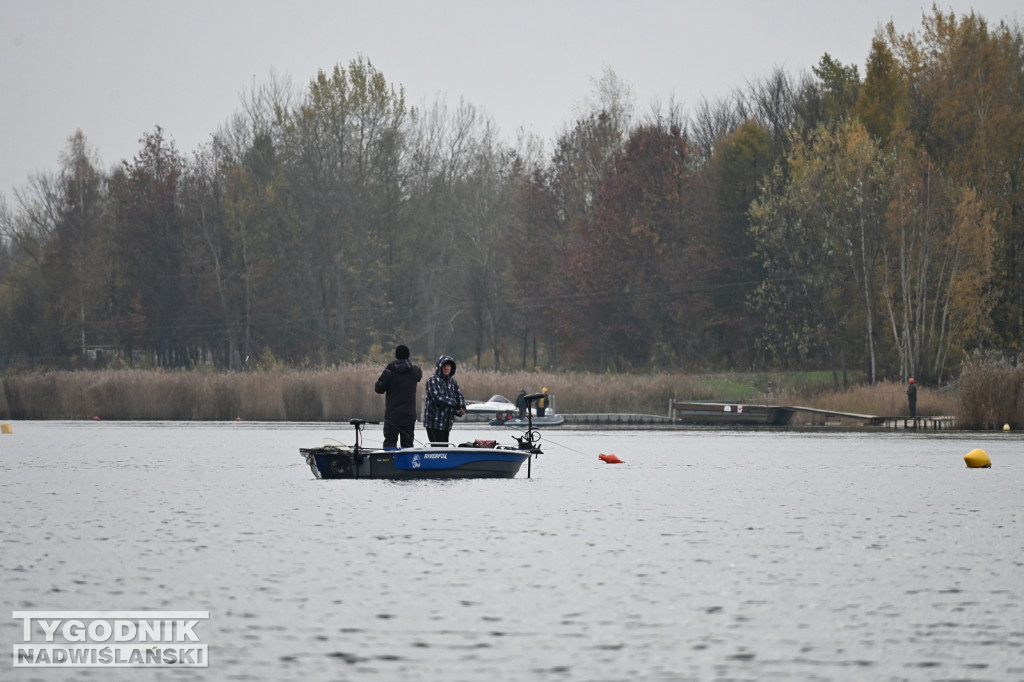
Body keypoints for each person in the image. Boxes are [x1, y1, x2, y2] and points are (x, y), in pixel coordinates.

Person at [374, 345, 423, 448]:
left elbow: (378, 389)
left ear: (396, 355)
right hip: (409, 417)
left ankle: (388, 464)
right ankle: (406, 464)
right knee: (408, 446)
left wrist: (387, 369)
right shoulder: (414, 371)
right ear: (408, 355)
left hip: (393, 417)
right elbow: (419, 374)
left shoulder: (390, 371)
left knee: (390, 445)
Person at [423, 355, 466, 444]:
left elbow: (459, 396)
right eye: (444, 366)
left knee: (444, 449)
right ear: (439, 367)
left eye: (448, 366)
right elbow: (438, 398)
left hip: (446, 424)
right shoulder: (433, 380)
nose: (446, 368)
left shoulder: (453, 382)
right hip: (434, 423)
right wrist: (455, 405)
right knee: (438, 450)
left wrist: (462, 407)